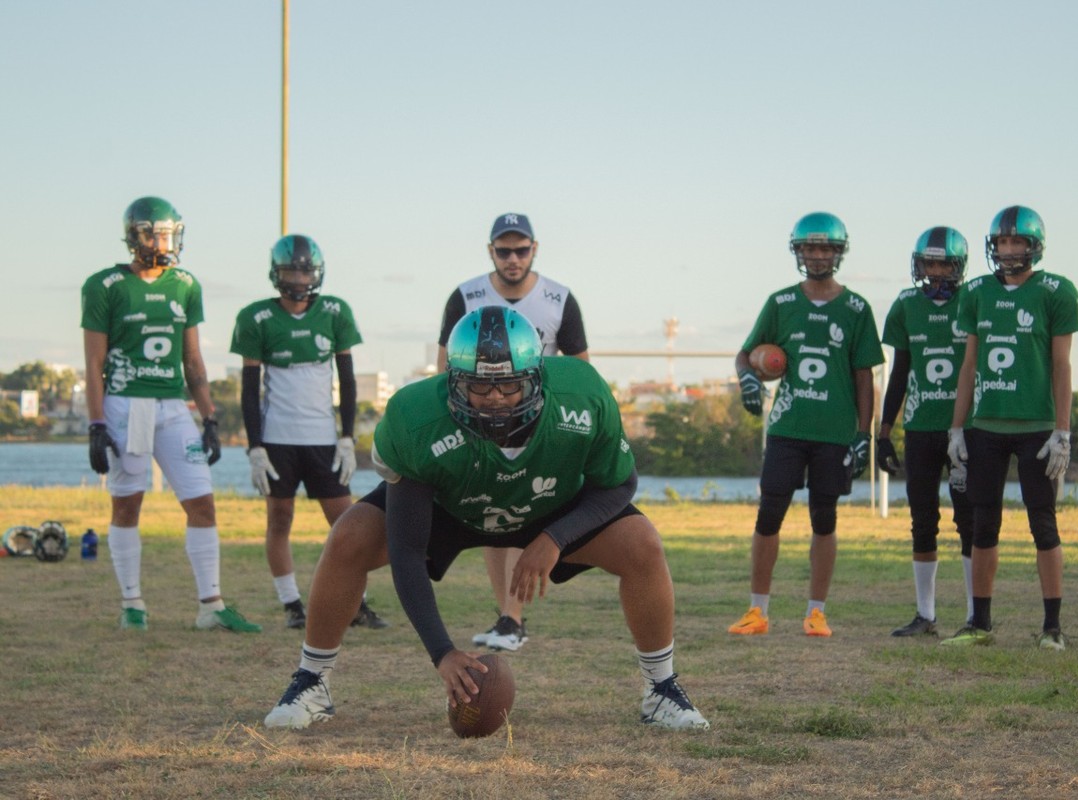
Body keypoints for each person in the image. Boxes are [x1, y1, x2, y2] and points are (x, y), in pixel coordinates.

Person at [264, 306, 707, 731]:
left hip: (550, 503)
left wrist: (555, 538)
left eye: (509, 384)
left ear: (537, 377)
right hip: (453, 506)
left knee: (642, 542)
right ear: (452, 380)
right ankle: (311, 682)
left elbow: (620, 483)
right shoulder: (416, 417)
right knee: (350, 536)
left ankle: (661, 688)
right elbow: (407, 549)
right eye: (479, 386)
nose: (495, 398)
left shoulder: (582, 394)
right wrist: (442, 652)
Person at [80, 196, 260, 633]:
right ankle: (132, 603)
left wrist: (210, 417)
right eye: (156, 232)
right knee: (128, 504)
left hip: (174, 405)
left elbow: (193, 359)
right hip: (127, 402)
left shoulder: (185, 283)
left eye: (168, 232)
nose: (164, 241)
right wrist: (97, 423)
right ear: (135, 235)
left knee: (202, 501)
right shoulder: (105, 286)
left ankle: (211, 605)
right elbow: (93, 364)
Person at [436, 212, 589, 653]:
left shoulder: (559, 298)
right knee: (492, 519)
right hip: (481, 418)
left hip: (535, 423)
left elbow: (579, 368)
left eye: (521, 249)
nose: (513, 258)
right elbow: (445, 366)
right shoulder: (466, 295)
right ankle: (508, 615)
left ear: (534, 249)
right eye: (504, 250)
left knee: (521, 515)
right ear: (491, 252)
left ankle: (512, 617)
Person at [727, 212, 883, 638]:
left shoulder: (855, 308)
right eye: (809, 248)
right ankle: (757, 610)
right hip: (789, 425)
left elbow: (863, 376)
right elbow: (747, 354)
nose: (816, 256)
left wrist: (863, 434)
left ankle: (816, 612)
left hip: (834, 430)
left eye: (824, 248)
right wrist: (748, 377)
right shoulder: (780, 302)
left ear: (838, 252)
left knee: (825, 517)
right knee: (769, 514)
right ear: (797, 251)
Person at [941, 205, 1078, 650]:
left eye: (1017, 241)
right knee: (983, 524)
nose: (1009, 249)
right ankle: (979, 623)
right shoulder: (977, 292)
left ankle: (1052, 628)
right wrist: (956, 428)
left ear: (1033, 245)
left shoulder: (1056, 291)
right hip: (986, 426)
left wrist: (1063, 430)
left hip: (1038, 427)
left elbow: (1061, 366)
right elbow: (968, 366)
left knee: (1043, 523)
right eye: (1002, 242)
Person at [230, 234, 386, 630]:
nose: (298, 279)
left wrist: (348, 437)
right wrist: (255, 447)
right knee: (279, 519)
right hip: (277, 437)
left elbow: (347, 380)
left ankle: (358, 604)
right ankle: (291, 605)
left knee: (350, 522)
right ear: (275, 273)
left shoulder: (335, 312)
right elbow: (249, 388)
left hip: (322, 437)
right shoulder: (256, 317)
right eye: (290, 270)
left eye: (304, 270)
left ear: (316, 273)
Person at [877, 227, 975, 637]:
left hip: (964, 429)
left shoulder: (975, 300)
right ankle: (926, 614)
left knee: (970, 520)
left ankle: (975, 615)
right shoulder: (905, 305)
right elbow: (900, 371)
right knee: (922, 519)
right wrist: (884, 431)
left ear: (957, 267)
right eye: (928, 262)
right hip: (919, 426)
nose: (934, 271)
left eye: (942, 263)